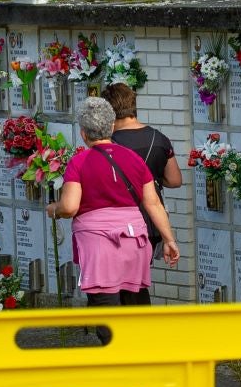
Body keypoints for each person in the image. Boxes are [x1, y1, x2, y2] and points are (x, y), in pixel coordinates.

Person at [46, 97, 179, 311]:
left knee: (106, 308)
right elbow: (153, 203)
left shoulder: (79, 162)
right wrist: (169, 239)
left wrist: (54, 210)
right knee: (136, 305)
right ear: (111, 127)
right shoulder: (133, 158)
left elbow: (69, 207)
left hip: (99, 246)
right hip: (134, 241)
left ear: (83, 134)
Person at [103, 83, 181, 256]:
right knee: (142, 269)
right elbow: (174, 180)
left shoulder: (108, 144)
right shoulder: (159, 138)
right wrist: (151, 179)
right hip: (153, 220)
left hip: (120, 220)